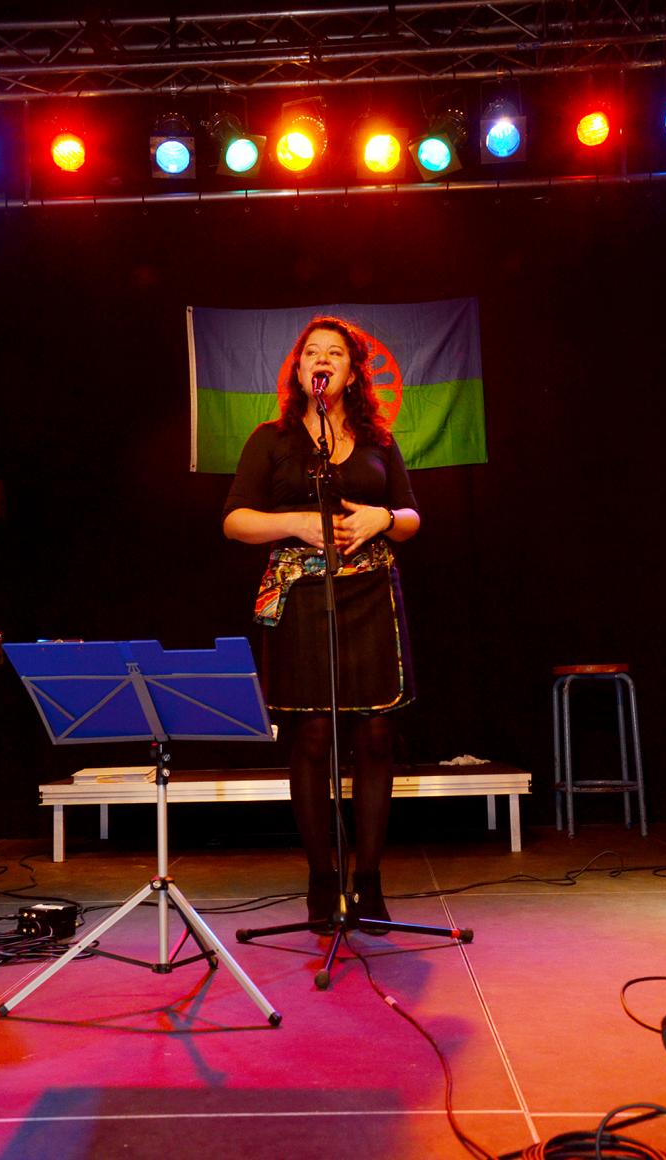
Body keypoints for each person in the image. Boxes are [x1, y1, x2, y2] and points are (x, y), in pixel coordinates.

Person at [222, 315, 420, 930]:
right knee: (311, 736)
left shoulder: (378, 439)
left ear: (353, 372)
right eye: (312, 352)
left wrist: (384, 518)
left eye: (335, 352)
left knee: (376, 736)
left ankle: (370, 882)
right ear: (300, 369)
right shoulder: (272, 439)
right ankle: (321, 881)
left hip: (370, 595)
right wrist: (297, 523)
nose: (322, 360)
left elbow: (412, 516)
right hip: (303, 597)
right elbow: (234, 520)